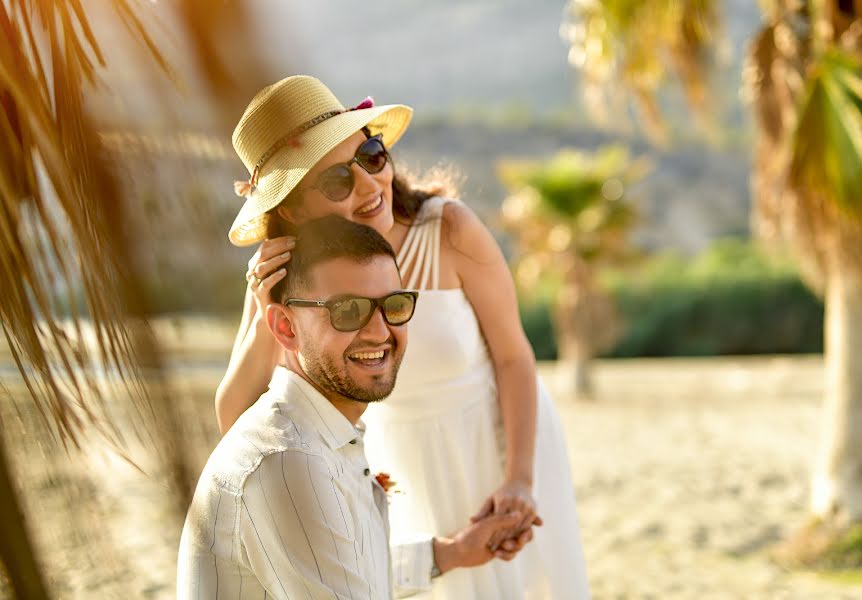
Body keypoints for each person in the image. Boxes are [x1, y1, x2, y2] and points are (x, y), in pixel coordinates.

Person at [218, 76, 589, 599]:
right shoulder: (284, 277)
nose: (371, 186)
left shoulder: (448, 230)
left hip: (501, 441)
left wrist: (519, 480)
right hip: (397, 467)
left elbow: (512, 355)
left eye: (371, 155)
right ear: (294, 208)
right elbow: (236, 420)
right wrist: (263, 317)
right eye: (336, 181)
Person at [177, 216, 536, 599]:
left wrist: (454, 552)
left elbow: (344, 566)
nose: (380, 332)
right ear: (285, 328)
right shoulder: (288, 461)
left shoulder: (323, 432)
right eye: (348, 311)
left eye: (394, 305)